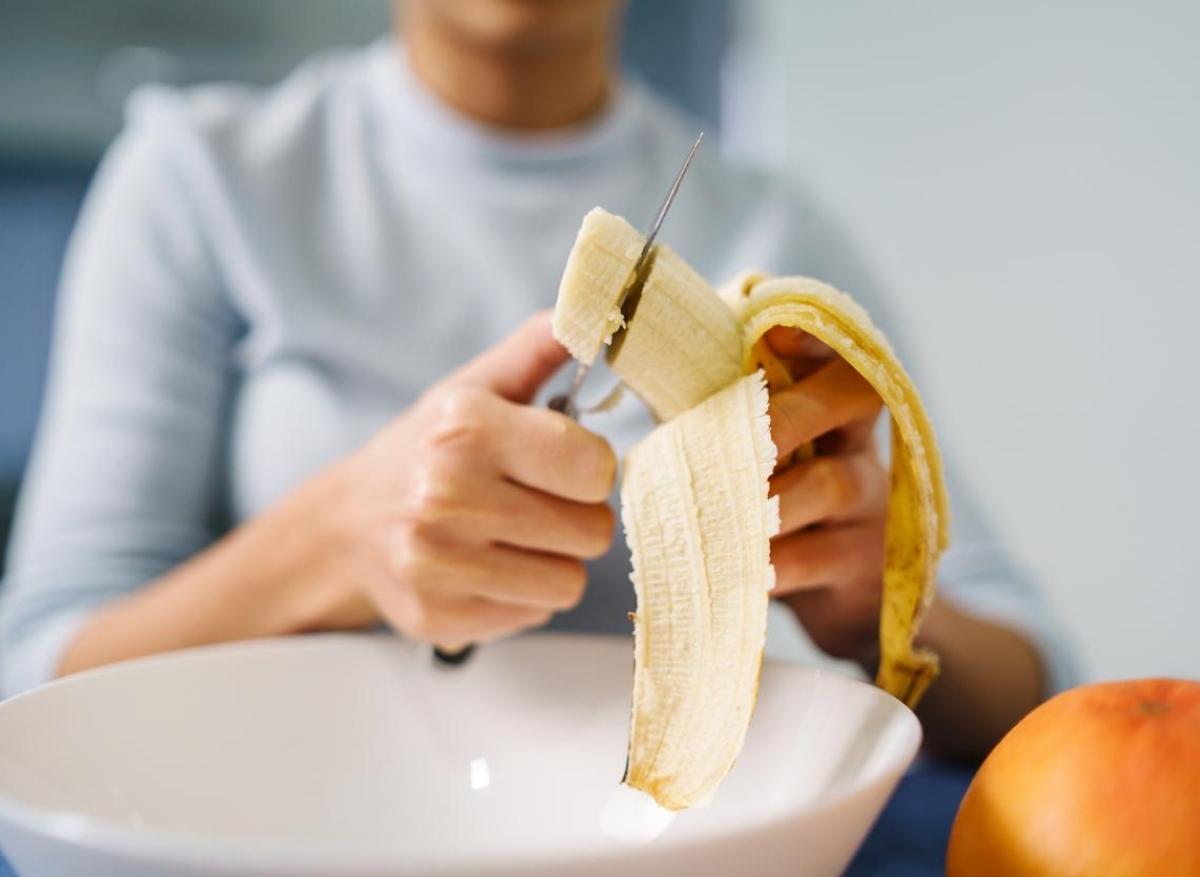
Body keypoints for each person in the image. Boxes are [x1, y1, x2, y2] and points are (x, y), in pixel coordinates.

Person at [1, 0, 1073, 758]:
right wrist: (334, 543)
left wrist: (878, 599)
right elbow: (34, 675)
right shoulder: (198, 178)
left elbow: (1034, 689)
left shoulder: (776, 231)